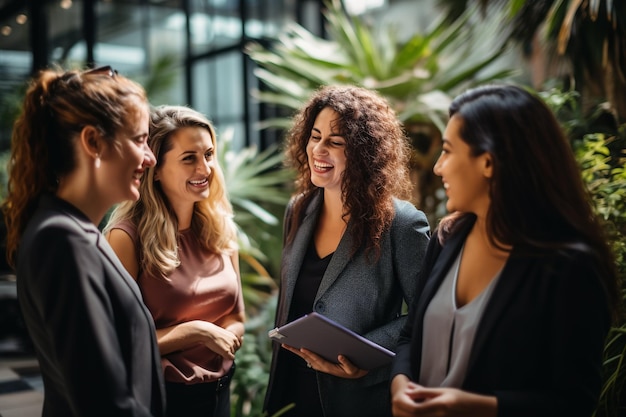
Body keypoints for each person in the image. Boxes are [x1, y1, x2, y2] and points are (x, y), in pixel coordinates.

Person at [390, 84, 621, 417]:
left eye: (449, 151)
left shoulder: (570, 266)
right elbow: (411, 335)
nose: (438, 167)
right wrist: (400, 381)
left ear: (488, 162)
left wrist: (480, 407)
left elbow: (575, 401)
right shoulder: (447, 239)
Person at [2, 66, 165, 416]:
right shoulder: (63, 241)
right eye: (139, 140)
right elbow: (103, 402)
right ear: (92, 142)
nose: (150, 158)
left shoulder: (76, 232)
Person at [263, 85, 431, 417]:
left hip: (354, 398)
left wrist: (368, 356)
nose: (318, 150)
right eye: (315, 136)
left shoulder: (403, 224)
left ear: (365, 154)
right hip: (289, 392)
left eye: (336, 142)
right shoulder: (298, 208)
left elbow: (427, 317)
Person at [104, 105, 245, 417]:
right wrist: (197, 332)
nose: (205, 168)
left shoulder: (222, 231)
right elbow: (116, 341)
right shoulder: (125, 238)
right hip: (161, 399)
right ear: (156, 169)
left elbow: (237, 317)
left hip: (219, 394)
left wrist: (226, 337)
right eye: (189, 158)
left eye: (208, 154)